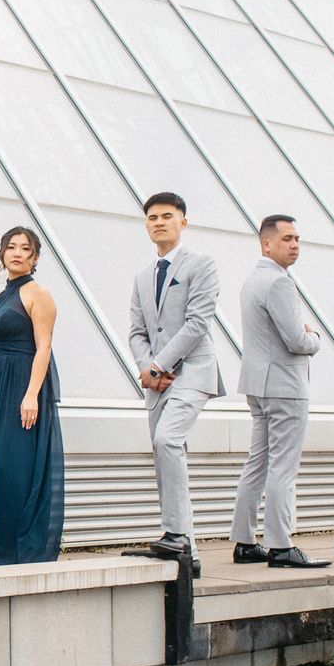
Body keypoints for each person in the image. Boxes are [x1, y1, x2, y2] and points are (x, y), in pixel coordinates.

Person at [127, 192, 223, 577]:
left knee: (168, 440)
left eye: (167, 216)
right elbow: (136, 331)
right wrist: (147, 369)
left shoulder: (202, 265)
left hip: (192, 372)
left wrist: (159, 364)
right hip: (158, 382)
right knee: (163, 452)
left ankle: (178, 534)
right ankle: (188, 551)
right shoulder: (141, 277)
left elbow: (198, 323)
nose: (159, 222)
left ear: (183, 222)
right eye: (152, 217)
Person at [232, 215, 330, 570]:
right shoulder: (279, 283)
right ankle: (281, 545)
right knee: (283, 467)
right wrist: (314, 338)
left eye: (297, 238)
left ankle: (244, 541)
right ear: (266, 244)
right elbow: (296, 340)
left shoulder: (251, 281)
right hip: (285, 386)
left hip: (258, 385)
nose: (295, 245)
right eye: (287, 238)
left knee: (257, 462)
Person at [0, 227, 64, 567]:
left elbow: (45, 347)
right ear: (2, 253)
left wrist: (31, 395)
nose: (18, 253)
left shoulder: (38, 294)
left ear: (35, 257)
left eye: (26, 249)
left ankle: (12, 550)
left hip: (22, 384)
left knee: (12, 467)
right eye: (11, 247)